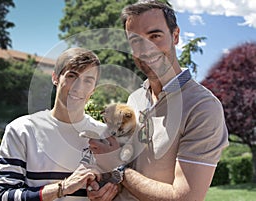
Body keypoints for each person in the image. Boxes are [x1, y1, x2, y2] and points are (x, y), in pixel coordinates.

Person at [88, 1, 229, 200]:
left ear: (176, 36)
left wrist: (116, 167)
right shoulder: (135, 99)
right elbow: (126, 166)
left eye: (155, 36)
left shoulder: (203, 107)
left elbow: (185, 198)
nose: (146, 49)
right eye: (136, 41)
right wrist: (104, 186)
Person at [0, 47, 118, 201]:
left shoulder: (105, 136)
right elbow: (2, 196)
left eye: (88, 80)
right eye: (72, 76)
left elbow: (117, 187)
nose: (78, 87)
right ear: (55, 78)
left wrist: (109, 191)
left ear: (94, 89)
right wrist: (62, 188)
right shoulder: (21, 130)